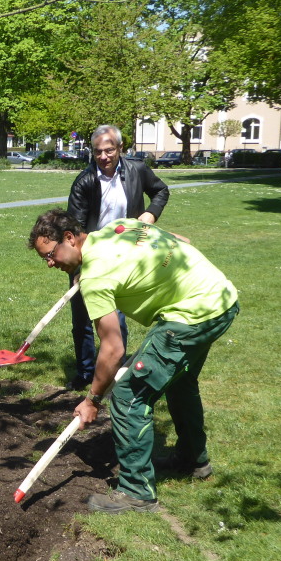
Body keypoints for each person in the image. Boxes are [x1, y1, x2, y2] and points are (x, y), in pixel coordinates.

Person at [30, 211, 239, 514]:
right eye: (44, 259)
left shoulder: (96, 278)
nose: (50, 263)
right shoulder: (120, 228)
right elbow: (181, 241)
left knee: (128, 394)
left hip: (192, 316)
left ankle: (137, 492)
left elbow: (113, 349)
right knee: (179, 382)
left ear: (70, 238)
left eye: (50, 255)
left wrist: (92, 400)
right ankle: (193, 459)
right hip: (221, 299)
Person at [64, 125, 170, 389]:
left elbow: (161, 190)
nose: (103, 156)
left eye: (109, 150)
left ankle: (115, 373)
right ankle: (86, 372)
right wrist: (78, 266)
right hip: (90, 256)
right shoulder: (84, 181)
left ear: (120, 148)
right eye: (98, 151)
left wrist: (151, 213)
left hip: (125, 256)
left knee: (116, 318)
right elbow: (74, 228)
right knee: (83, 318)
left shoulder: (137, 170)